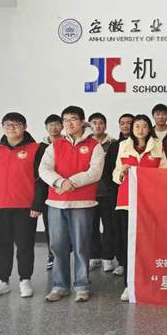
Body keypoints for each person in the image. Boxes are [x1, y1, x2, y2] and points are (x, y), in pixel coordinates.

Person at [39, 106, 105, 303]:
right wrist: (60, 182)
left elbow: (95, 172)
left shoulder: (94, 146)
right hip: (56, 202)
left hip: (82, 203)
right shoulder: (55, 145)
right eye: (65, 120)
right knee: (57, 246)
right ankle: (60, 286)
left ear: (82, 121)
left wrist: (72, 182)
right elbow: (44, 169)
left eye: (73, 119)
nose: (69, 123)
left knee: (81, 246)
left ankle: (82, 286)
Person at [0, 112, 47, 298]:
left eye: (16, 124)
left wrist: (38, 205)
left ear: (25, 127)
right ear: (2, 127)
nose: (11, 128)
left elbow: (42, 180)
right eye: (7, 124)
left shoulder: (37, 149)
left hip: (26, 207)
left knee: (25, 245)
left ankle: (25, 280)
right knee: (2, 246)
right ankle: (2, 281)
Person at [113, 115, 167, 301]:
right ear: (132, 129)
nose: (140, 130)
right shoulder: (123, 145)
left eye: (144, 126)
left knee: (149, 244)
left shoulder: (158, 146)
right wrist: (122, 172)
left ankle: (149, 283)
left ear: (149, 129)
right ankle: (128, 285)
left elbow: (164, 173)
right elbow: (115, 174)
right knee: (128, 244)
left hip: (150, 203)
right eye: (137, 126)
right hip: (126, 202)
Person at [101, 113, 134, 277]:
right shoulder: (115, 146)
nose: (126, 126)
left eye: (129, 123)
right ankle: (122, 262)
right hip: (118, 195)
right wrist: (114, 189)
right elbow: (107, 171)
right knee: (119, 230)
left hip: (141, 196)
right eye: (123, 123)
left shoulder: (146, 145)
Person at [88, 112, 116, 272]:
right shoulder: (86, 144)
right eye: (94, 123)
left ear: (105, 125)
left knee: (109, 226)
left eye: (101, 123)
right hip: (89, 192)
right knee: (91, 226)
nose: (97, 126)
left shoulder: (113, 143)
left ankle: (108, 257)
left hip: (107, 192)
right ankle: (94, 256)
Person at [41, 114, 63, 270]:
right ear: (46, 127)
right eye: (50, 125)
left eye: (56, 124)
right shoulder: (40, 147)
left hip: (67, 189)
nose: (53, 128)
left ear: (62, 126)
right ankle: (52, 255)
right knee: (50, 226)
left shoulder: (67, 143)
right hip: (47, 192)